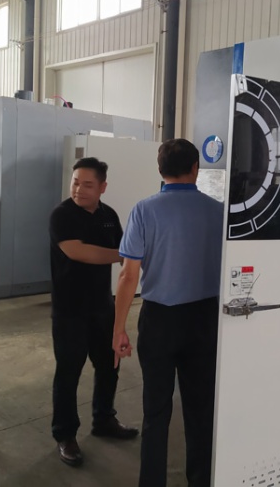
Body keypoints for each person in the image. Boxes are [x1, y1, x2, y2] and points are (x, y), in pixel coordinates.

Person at [113, 139, 224, 487]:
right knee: (201, 409)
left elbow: (128, 276)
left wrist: (118, 329)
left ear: (160, 170)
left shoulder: (144, 210)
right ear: (196, 169)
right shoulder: (219, 212)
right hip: (205, 320)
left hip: (160, 320)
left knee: (156, 409)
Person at [49, 157, 139, 467]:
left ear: (102, 187)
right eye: (75, 182)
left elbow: (127, 250)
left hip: (102, 306)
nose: (79, 189)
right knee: (68, 372)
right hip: (69, 310)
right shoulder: (62, 215)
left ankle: (104, 420)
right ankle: (65, 434)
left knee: (109, 365)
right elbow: (79, 252)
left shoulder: (108, 215)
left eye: (87, 185)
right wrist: (124, 254)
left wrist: (132, 255)